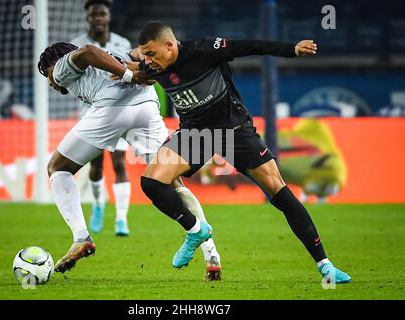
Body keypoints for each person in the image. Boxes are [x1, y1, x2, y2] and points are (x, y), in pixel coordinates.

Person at [136, 21, 351, 284]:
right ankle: (195, 230)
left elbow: (250, 45)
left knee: (280, 193)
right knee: (151, 182)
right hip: (196, 135)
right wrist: (121, 70)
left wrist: (291, 49)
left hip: (234, 130)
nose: (148, 60)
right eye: (145, 55)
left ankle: (326, 266)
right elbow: (135, 65)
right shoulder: (152, 65)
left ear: (169, 45)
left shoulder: (205, 50)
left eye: (151, 54)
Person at [37, 42, 222, 280]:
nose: (51, 82)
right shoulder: (118, 52)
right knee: (170, 180)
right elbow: (147, 61)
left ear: (55, 63)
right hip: (146, 106)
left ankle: (81, 237)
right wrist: (147, 73)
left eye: (47, 73)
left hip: (113, 108)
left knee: (57, 168)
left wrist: (127, 75)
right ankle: (212, 255)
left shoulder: (64, 66)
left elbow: (87, 51)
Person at [71, 0, 132, 236]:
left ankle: (121, 219)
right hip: (91, 113)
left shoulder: (122, 43)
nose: (98, 17)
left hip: (118, 113)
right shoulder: (77, 45)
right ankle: (98, 205)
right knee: (96, 166)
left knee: (119, 164)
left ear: (108, 16)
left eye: (102, 13)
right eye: (93, 14)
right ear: (88, 17)